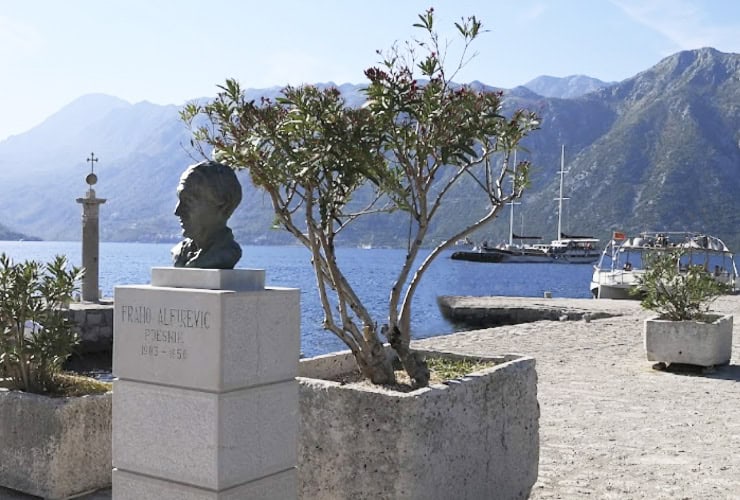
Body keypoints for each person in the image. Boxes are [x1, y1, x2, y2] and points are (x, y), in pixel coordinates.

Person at [171, 160, 242, 269]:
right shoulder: (179, 253)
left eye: (189, 201)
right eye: (179, 199)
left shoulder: (226, 254)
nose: (177, 211)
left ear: (223, 207)